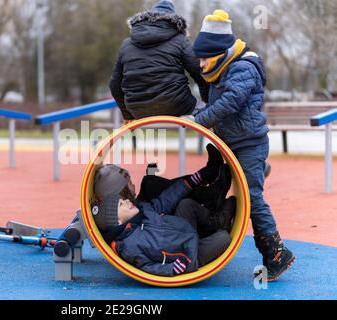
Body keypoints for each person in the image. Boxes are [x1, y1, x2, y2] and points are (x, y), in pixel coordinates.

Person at [191, 10, 295, 281]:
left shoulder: (242, 68)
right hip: (233, 144)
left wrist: (199, 120)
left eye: (204, 58)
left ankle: (276, 254)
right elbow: (217, 103)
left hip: (249, 143)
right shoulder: (222, 70)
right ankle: (260, 169)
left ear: (218, 53)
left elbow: (231, 102)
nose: (201, 65)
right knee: (225, 188)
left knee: (252, 197)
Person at [92, 159, 236, 276]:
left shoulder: (142, 211)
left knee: (186, 205)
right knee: (224, 238)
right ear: (118, 222)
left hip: (185, 229)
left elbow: (166, 200)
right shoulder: (129, 246)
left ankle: (217, 221)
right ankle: (219, 225)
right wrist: (172, 269)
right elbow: (147, 267)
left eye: (123, 200)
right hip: (188, 255)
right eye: (122, 204)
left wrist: (192, 180)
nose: (128, 201)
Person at [109, 0, 209, 122]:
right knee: (211, 113)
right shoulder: (180, 40)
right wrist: (206, 99)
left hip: (137, 110)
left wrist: (127, 114)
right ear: (173, 20)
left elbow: (114, 85)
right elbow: (199, 73)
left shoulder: (127, 44)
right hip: (177, 106)